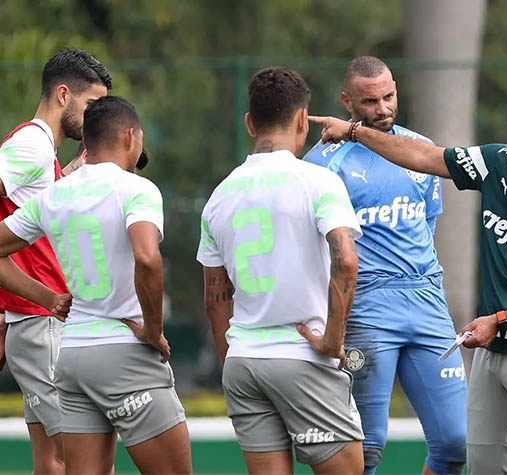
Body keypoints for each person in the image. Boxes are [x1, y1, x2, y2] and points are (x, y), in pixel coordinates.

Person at [310, 88, 507, 475]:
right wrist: (354, 132)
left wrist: (500, 320)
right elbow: (426, 157)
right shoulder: (497, 161)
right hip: (493, 349)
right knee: (480, 464)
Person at [0, 95, 192, 474]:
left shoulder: (55, 194)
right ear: (130, 137)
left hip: (72, 358)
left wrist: (48, 298)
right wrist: (153, 330)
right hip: (125, 351)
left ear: (85, 142)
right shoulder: (137, 189)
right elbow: (148, 258)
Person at [197, 66, 364, 475]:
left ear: (249, 123)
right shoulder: (318, 182)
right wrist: (332, 341)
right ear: (303, 119)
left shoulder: (219, 196)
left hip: (244, 361)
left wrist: (231, 358)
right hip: (302, 354)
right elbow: (346, 259)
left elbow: (215, 299)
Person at [303, 56, 466, 475]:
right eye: (370, 101)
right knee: (366, 448)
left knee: (457, 443)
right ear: (347, 101)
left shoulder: (419, 150)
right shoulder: (323, 163)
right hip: (367, 307)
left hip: (428, 300)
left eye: (389, 96)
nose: (383, 109)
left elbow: (427, 225)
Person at [0, 47, 111, 474]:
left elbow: (24, 209)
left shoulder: (39, 150)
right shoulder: (31, 145)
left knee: (51, 461)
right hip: (41, 321)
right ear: (63, 95)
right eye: (91, 106)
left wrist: (66, 174)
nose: (97, 117)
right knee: (85, 457)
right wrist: (46, 297)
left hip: (31, 321)